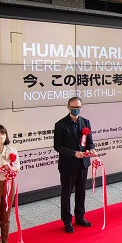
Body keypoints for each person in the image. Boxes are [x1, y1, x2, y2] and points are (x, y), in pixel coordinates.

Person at [54, 97, 96, 233]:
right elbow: (58, 146)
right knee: (66, 193)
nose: (76, 109)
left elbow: (89, 142)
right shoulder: (60, 124)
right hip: (68, 165)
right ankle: (67, 221)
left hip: (83, 164)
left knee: (81, 191)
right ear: (68, 108)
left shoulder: (86, 122)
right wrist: (74, 153)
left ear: (81, 107)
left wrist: (91, 149)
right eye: (73, 107)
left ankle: (80, 216)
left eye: (78, 107)